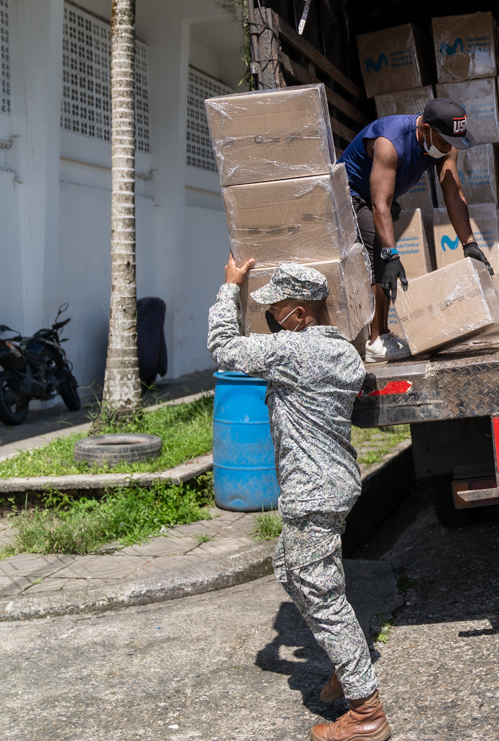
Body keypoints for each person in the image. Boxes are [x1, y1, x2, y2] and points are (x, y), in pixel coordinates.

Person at [208, 258, 391, 741]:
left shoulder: (295, 351)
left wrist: (230, 289)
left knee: (321, 592)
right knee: (289, 568)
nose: (272, 315)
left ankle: (367, 713)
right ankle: (344, 662)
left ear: (300, 311)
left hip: (312, 491)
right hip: (333, 483)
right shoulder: (345, 354)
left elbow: (224, 349)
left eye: (278, 308)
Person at [340, 98, 494, 363]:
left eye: (452, 143)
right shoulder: (390, 143)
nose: (448, 148)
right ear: (424, 128)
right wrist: (390, 253)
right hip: (351, 195)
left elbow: (453, 193)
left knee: (384, 252)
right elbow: (379, 204)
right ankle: (377, 340)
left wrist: (469, 243)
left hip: (379, 198)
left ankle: (381, 333)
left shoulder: (445, 145)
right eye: (444, 141)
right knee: (381, 255)